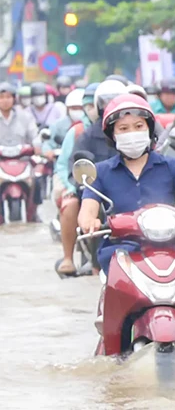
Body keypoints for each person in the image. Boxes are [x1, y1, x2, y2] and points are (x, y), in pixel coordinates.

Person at [78, 94, 175, 274]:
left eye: (138, 126)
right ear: (113, 135)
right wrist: (89, 222)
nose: (132, 133)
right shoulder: (100, 172)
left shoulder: (171, 166)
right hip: (120, 251)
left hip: (173, 247)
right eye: (123, 128)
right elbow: (87, 210)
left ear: (149, 129)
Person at [51, 88, 91, 276]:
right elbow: (64, 165)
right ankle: (68, 257)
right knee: (70, 203)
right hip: (77, 182)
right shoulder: (77, 131)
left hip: (105, 184)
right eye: (88, 105)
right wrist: (70, 187)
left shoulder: (116, 128)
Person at [73, 80, 128, 163]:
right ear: (98, 104)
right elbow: (76, 168)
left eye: (116, 101)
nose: (111, 105)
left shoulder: (136, 130)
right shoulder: (89, 135)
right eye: (106, 102)